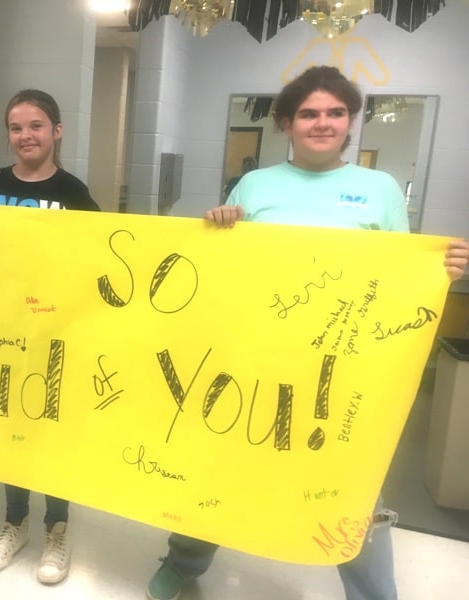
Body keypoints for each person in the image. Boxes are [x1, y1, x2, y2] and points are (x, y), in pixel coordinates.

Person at [147, 66, 469, 600]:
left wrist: (444, 269)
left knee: (353, 481)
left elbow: (399, 280)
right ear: (287, 124)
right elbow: (229, 273)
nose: (323, 123)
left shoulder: (380, 189)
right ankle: (184, 562)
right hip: (257, 356)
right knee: (224, 465)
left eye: (335, 113)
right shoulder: (254, 184)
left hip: (343, 367)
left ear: (351, 122)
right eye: (310, 114)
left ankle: (372, 594)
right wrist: (218, 228)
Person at [0, 89, 100, 584]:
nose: (27, 135)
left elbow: (95, 264)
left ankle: (57, 529)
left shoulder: (75, 194)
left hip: (53, 336)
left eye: (37, 126)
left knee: (50, 431)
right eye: (17, 127)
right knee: (12, 430)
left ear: (57, 131)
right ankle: (14, 521)